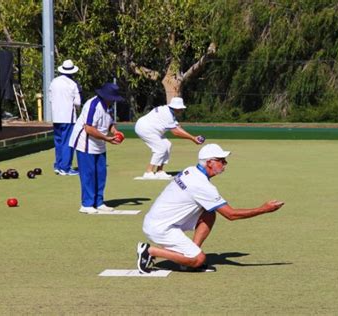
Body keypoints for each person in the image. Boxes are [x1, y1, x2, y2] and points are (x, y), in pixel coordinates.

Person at [136, 144, 285, 273]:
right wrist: (264, 209)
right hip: (160, 228)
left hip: (160, 220)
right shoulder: (202, 185)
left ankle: (186, 258)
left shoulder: (191, 170)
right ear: (209, 162)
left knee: (209, 212)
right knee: (199, 259)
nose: (225, 163)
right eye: (221, 160)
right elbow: (231, 215)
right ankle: (149, 251)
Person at [69, 82, 124, 214]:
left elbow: (109, 123)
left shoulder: (108, 106)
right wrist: (106, 139)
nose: (114, 101)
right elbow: (88, 128)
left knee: (101, 173)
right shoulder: (93, 105)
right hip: (85, 143)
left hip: (99, 143)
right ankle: (86, 204)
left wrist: (115, 132)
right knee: (88, 173)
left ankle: (98, 202)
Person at [134, 97, 204, 180]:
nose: (182, 110)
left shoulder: (169, 112)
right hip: (144, 129)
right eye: (181, 109)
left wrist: (193, 137)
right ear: (176, 108)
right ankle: (148, 172)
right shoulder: (167, 114)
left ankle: (159, 171)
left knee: (167, 145)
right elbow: (176, 132)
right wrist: (193, 138)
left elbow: (178, 127)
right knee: (160, 148)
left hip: (152, 129)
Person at [49, 59, 82, 176]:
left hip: (56, 117)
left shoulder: (54, 82)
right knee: (68, 142)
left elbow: (50, 98)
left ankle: (58, 166)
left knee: (58, 141)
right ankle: (65, 168)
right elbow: (78, 103)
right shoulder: (73, 84)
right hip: (68, 117)